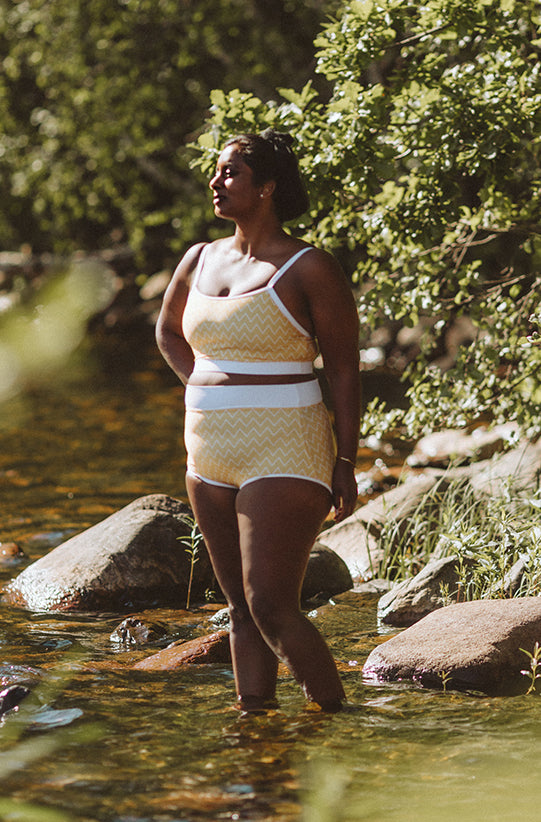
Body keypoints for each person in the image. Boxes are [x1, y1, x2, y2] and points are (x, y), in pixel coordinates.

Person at [156, 129, 360, 714]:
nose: (215, 182)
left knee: (270, 602)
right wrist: (202, 385)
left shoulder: (310, 267)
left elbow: (344, 371)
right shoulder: (198, 258)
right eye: (217, 173)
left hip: (286, 448)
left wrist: (345, 459)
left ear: (266, 187)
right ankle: (257, 728)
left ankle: (338, 718)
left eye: (230, 173)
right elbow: (168, 332)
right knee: (240, 610)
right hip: (207, 450)